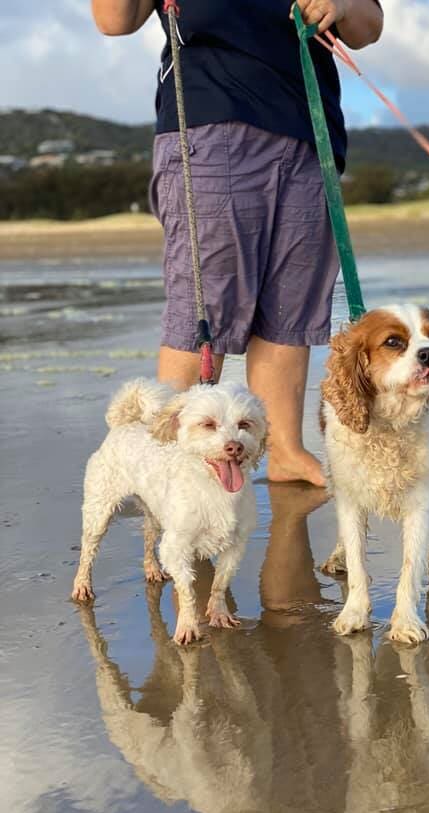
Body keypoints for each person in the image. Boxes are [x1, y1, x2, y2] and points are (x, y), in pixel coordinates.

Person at [90, 0, 383, 486]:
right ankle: (166, 463)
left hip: (309, 130)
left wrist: (342, 4)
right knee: (204, 305)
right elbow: (114, 20)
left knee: (292, 306)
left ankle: (285, 450)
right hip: (210, 121)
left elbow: (367, 27)